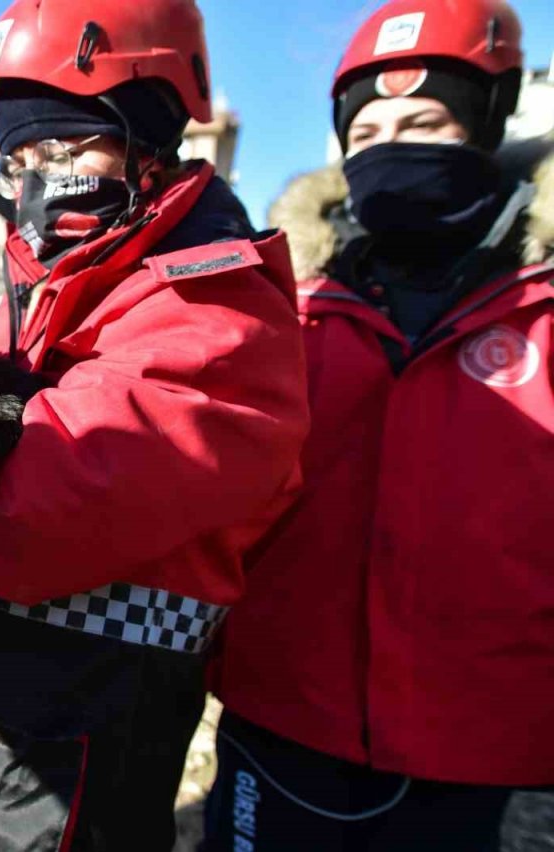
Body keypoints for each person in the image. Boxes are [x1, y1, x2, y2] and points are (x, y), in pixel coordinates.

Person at [0, 1, 311, 849]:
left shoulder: (215, 310)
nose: (40, 177)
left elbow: (22, 506)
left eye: (69, 146)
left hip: (59, 770)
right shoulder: (54, 284)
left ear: (149, 141)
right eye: (21, 158)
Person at [202, 2, 553, 850]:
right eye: (367, 131)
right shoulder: (291, 305)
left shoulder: (542, 310)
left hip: (476, 752)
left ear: (486, 133)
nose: (392, 146)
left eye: (425, 122)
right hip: (277, 719)